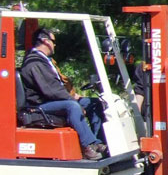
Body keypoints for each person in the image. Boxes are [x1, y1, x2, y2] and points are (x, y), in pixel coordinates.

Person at [19, 28, 106, 160]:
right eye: (53, 41)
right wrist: (72, 100)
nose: (55, 45)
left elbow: (56, 86)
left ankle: (98, 142)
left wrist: (75, 96)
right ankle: (88, 146)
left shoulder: (44, 60)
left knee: (93, 103)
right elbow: (51, 90)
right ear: (45, 41)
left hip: (51, 101)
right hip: (39, 106)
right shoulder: (34, 63)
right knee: (72, 106)